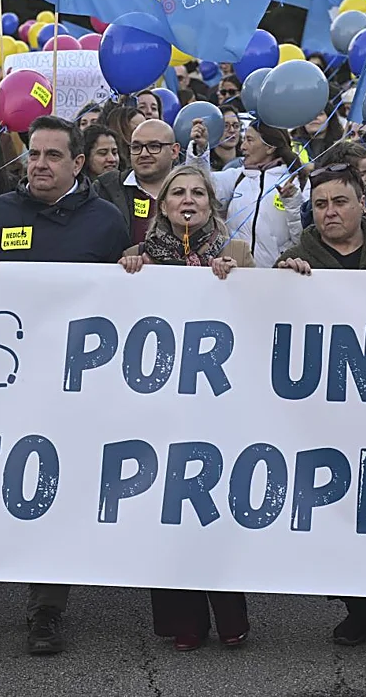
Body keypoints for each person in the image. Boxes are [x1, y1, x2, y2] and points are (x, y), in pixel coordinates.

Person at [0, 115, 129, 655]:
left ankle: (46, 606)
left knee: (53, 487)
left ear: (78, 164)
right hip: (4, 383)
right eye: (33, 155)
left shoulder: (107, 221)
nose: (38, 164)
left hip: (74, 386)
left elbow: (125, 301)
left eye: (53, 156)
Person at [274, 163, 366, 646]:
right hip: (325, 414)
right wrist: (281, 280)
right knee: (339, 511)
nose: (330, 212)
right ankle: (358, 609)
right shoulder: (296, 257)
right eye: (320, 205)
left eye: (339, 202)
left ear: (362, 203)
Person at [117, 166, 254, 650]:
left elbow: (263, 317)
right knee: (168, 514)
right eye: (178, 193)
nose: (188, 200)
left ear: (211, 204)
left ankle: (231, 614)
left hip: (218, 408)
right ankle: (184, 621)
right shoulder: (138, 259)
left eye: (198, 192)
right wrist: (130, 278)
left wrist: (240, 281)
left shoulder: (236, 254)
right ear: (164, 204)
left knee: (213, 509)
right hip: (160, 411)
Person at [189, 120, 306, 268]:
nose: (242, 147)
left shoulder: (298, 181)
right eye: (244, 140)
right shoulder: (237, 177)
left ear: (269, 147)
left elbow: (303, 238)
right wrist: (200, 150)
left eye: (249, 140)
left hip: (279, 276)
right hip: (233, 273)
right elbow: (199, 183)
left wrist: (292, 202)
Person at [95, 119, 182, 246]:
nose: (144, 153)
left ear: (174, 151)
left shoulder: (191, 191)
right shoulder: (105, 188)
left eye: (154, 146)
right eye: (136, 147)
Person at [210, 106, 242, 171]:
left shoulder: (246, 163)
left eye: (236, 126)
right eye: (226, 126)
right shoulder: (204, 165)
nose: (232, 130)